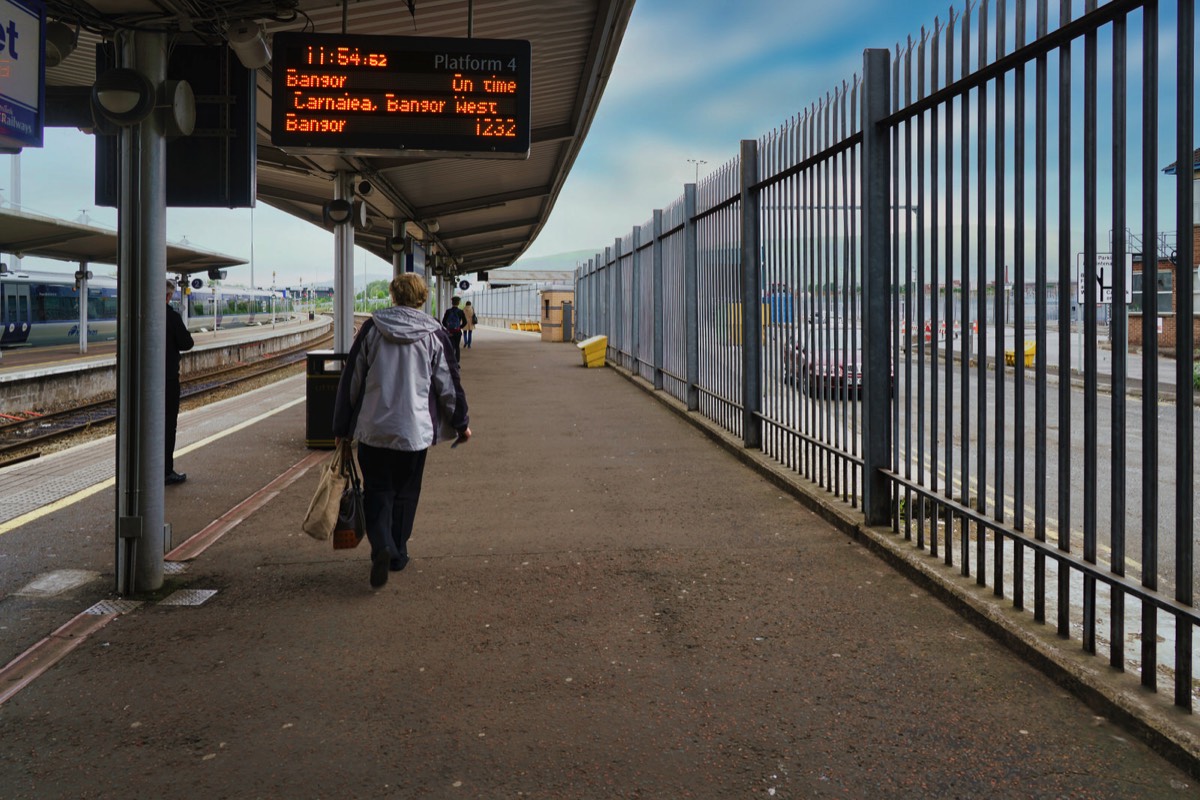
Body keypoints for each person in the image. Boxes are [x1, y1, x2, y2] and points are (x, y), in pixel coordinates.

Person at [333, 273, 471, 589]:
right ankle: (397, 553)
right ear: (422, 298)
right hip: (414, 431)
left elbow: (351, 381)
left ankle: (381, 545)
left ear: (392, 296)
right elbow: (448, 384)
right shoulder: (434, 333)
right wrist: (461, 423)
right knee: (406, 493)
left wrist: (341, 427)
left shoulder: (371, 329)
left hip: (374, 430)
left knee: (378, 490)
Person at [165, 278, 195, 486]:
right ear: (168, 296)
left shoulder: (142, 314)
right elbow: (187, 343)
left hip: (145, 383)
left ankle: (144, 470)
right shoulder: (172, 317)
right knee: (167, 427)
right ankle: (166, 471)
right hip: (167, 381)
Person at [441, 295, 467, 362]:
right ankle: (457, 362)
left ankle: (450, 361)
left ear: (452, 302)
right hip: (457, 332)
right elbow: (465, 322)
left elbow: (443, 322)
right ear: (458, 303)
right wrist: (459, 327)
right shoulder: (460, 312)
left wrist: (448, 328)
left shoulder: (448, 311)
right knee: (457, 347)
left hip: (450, 332)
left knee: (450, 347)